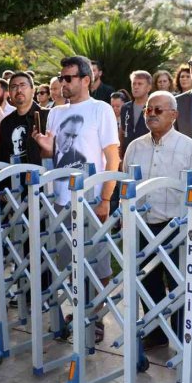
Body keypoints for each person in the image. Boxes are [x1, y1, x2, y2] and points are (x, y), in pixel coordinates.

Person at [33, 55, 120, 342]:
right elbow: (52, 155)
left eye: (68, 77)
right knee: (68, 263)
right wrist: (46, 148)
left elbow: (112, 158)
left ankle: (95, 315)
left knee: (98, 265)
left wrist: (105, 198)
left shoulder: (101, 110)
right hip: (60, 201)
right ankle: (78, 310)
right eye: (61, 77)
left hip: (91, 200)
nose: (62, 83)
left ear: (86, 79)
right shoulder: (55, 113)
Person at [122, 90, 192, 348]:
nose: (152, 114)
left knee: (179, 284)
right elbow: (126, 184)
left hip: (175, 228)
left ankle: (181, 336)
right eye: (148, 109)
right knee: (149, 283)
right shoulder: (135, 147)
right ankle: (155, 332)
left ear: (174, 115)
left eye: (158, 110)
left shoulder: (189, 148)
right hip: (143, 226)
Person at [0, 71, 48, 165]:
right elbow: (2, 158)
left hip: (43, 177)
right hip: (14, 177)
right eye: (14, 86)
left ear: (33, 91)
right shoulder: (6, 123)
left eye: (23, 85)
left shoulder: (47, 116)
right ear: (9, 94)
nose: (19, 90)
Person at [120, 70, 153, 156]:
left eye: (140, 84)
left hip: (149, 154)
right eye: (134, 84)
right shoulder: (125, 107)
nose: (136, 87)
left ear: (149, 88)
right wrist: (120, 156)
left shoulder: (154, 107)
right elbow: (122, 132)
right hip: (128, 154)